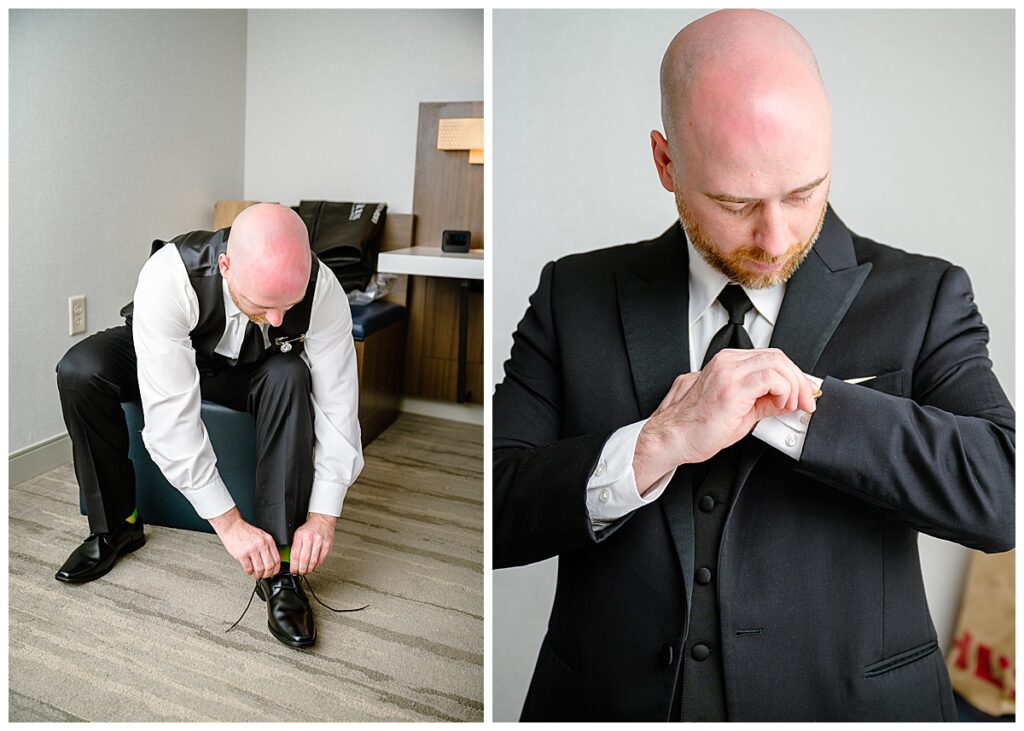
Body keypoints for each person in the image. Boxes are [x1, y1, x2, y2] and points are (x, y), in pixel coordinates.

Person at [493, 9, 1014, 722]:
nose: (776, 236)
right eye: (736, 203)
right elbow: (490, 506)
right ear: (666, 161)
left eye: (804, 192)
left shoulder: (925, 294)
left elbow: (1003, 491)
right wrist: (649, 446)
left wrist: (807, 414)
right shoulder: (573, 295)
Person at [55, 203, 364, 649]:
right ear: (225, 266)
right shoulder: (169, 276)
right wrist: (230, 524)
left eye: (289, 306)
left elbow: (338, 408)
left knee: (291, 372)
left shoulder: (324, 290)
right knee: (81, 370)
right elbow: (172, 420)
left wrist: (323, 516)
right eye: (264, 304)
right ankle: (116, 525)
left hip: (253, 367)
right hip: (176, 350)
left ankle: (281, 567)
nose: (279, 321)